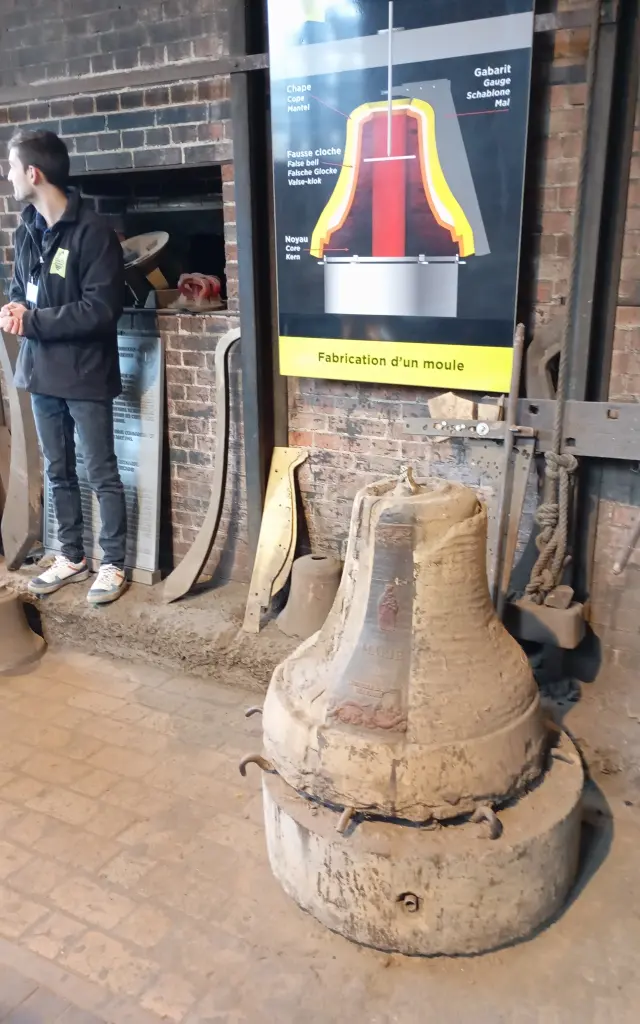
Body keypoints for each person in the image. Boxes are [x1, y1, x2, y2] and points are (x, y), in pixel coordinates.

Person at [0, 129, 128, 605]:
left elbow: (100, 310)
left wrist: (32, 318)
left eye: (11, 168)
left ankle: (112, 562)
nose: (8, 176)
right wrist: (15, 310)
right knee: (58, 471)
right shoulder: (26, 228)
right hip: (39, 370)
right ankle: (71, 555)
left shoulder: (94, 233)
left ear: (33, 173)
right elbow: (18, 288)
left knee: (101, 471)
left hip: (86, 372)